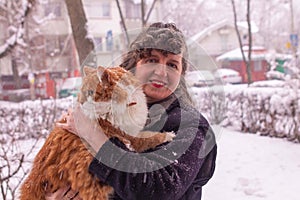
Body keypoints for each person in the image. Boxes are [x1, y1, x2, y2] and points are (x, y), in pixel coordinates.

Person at [46, 22, 217, 200]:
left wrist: (95, 137)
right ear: (133, 64)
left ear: (181, 75)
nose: (161, 71)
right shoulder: (105, 114)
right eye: (152, 60)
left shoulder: (191, 127)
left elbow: (158, 190)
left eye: (172, 65)